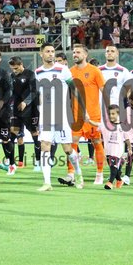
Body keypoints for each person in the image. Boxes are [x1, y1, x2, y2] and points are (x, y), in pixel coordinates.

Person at [35, 43, 76, 191]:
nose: (51, 54)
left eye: (52, 51)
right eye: (47, 51)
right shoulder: (38, 72)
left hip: (62, 113)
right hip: (46, 114)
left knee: (67, 149)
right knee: (45, 145)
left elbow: (74, 89)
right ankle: (47, 183)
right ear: (41, 54)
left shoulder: (63, 70)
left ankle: (78, 173)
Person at [67, 44, 105, 187]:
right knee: (72, 145)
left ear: (85, 55)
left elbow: (104, 91)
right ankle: (71, 174)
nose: (75, 54)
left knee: (97, 143)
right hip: (76, 116)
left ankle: (99, 173)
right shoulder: (69, 72)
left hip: (93, 115)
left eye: (78, 52)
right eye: (73, 52)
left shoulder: (95, 71)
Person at [100, 105, 131, 190]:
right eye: (109, 114)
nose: (111, 116)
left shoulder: (122, 126)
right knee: (113, 167)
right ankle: (119, 180)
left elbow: (127, 139)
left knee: (113, 167)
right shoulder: (106, 125)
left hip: (117, 151)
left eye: (113, 114)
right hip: (108, 150)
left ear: (118, 114)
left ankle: (110, 182)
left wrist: (130, 148)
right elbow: (98, 126)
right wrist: (89, 121)